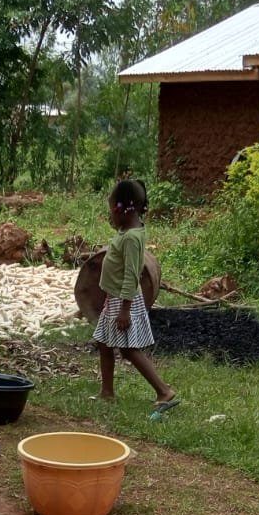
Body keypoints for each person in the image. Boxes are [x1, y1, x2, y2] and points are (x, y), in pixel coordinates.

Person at [94, 178, 176, 416]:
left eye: (111, 210)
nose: (110, 216)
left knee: (129, 350)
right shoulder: (128, 230)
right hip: (116, 298)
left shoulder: (131, 238)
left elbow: (132, 274)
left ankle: (163, 391)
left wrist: (125, 309)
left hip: (124, 300)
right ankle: (107, 393)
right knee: (104, 342)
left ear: (122, 209)